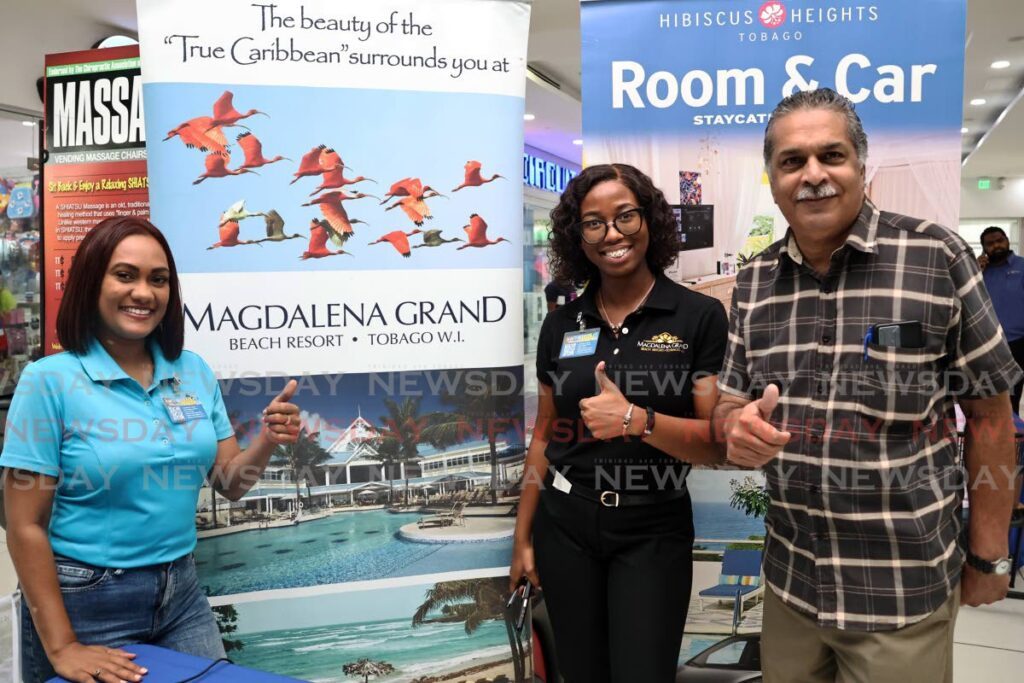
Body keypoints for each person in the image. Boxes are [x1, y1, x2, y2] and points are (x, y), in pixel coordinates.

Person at [713, 88, 1021, 683]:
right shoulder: (754, 282)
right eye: (792, 161)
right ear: (772, 178)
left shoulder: (936, 256)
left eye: (831, 155)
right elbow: (730, 397)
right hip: (792, 584)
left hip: (901, 590)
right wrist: (734, 426)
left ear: (860, 164)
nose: (813, 175)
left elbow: (990, 416)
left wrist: (989, 555)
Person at [2, 216, 302, 683]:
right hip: (86, 601)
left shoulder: (192, 371)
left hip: (181, 595)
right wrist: (62, 647)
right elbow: (24, 524)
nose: (144, 292)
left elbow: (229, 485)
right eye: (125, 275)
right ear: (91, 282)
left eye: (158, 280)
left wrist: (266, 439)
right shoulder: (50, 381)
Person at [510, 163, 728, 682]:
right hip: (566, 525)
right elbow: (544, 433)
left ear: (650, 220)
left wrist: (636, 419)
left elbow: (714, 446)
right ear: (576, 236)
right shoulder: (563, 325)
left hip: (653, 527)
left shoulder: (697, 316)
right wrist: (523, 538)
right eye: (593, 222)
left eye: (625, 216)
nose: (611, 234)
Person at [979, 226, 1024, 414]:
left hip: (1020, 343)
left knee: (1014, 395)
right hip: (990, 344)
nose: (996, 245)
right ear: (984, 248)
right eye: (990, 243)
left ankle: (1014, 438)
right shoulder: (979, 271)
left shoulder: (1022, 266)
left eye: (999, 240)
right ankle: (1003, 438)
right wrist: (975, 271)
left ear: (1006, 240)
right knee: (996, 398)